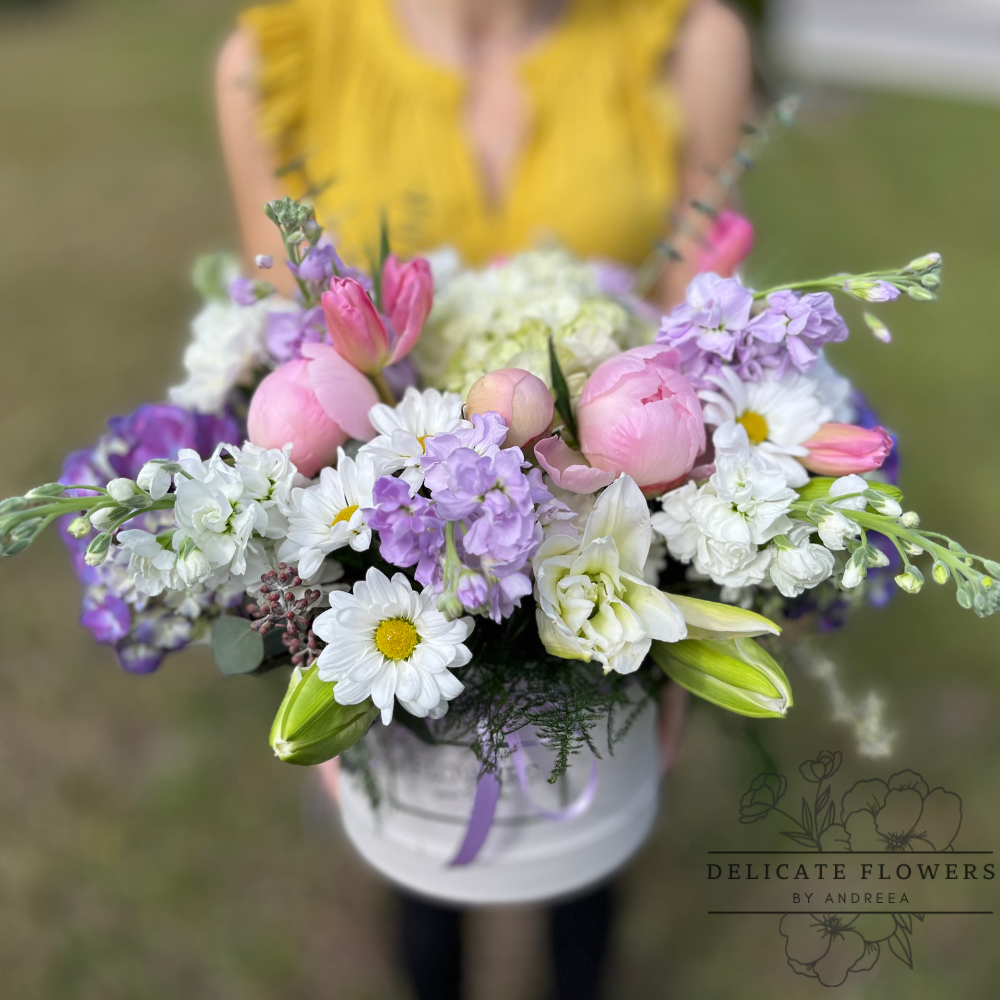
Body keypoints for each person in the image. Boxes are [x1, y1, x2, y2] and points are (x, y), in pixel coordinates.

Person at [215, 2, 753, 996]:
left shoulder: (687, 41)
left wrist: (677, 634)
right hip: (389, 552)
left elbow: (697, 349)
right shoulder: (276, 61)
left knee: (587, 859)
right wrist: (321, 666)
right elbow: (282, 359)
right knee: (424, 881)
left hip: (614, 551)